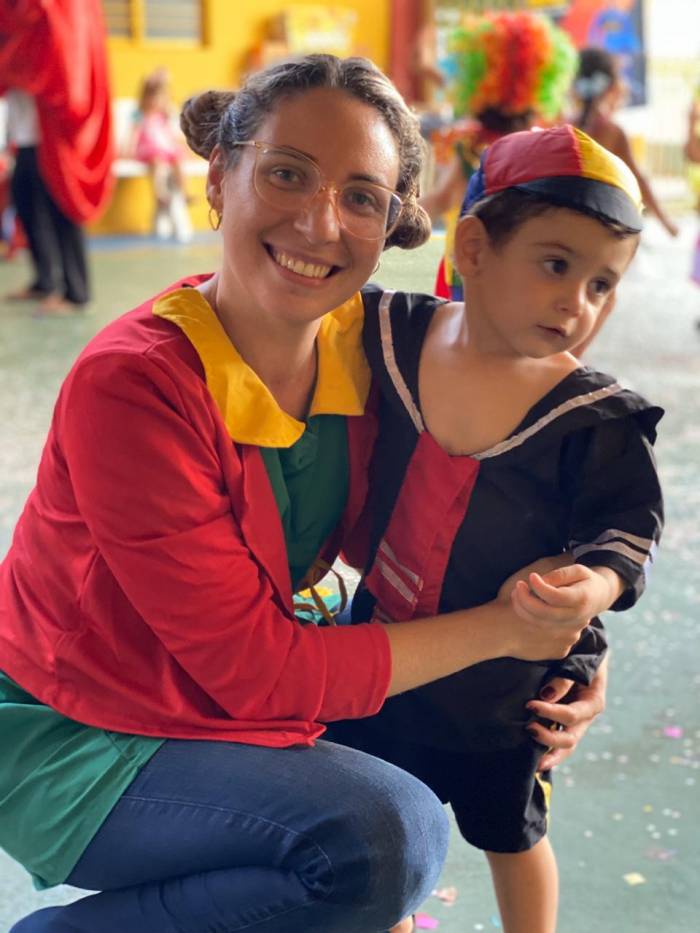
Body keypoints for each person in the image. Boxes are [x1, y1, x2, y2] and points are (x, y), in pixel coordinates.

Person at [0, 55, 604, 933]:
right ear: (219, 178)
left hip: (226, 688)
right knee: (383, 835)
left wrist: (572, 648)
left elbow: (468, 522)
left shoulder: (378, 350)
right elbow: (257, 670)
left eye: (361, 196)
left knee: (407, 781)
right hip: (83, 727)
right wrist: (508, 631)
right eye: (287, 174)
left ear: (388, 224)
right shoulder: (133, 385)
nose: (320, 223)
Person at [327, 125, 664, 933]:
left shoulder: (591, 416)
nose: (578, 302)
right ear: (474, 249)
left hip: (508, 693)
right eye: (557, 265)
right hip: (384, 655)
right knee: (373, 819)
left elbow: (627, 525)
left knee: (512, 833)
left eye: (602, 283)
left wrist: (596, 585)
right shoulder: (391, 334)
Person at [418, 11, 577, 299]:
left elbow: (440, 199)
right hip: (518, 274)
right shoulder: (538, 147)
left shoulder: (470, 145)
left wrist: (393, 218)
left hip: (465, 264)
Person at [0, 0, 113, 314]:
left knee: (60, 203)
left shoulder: (59, 8)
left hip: (51, 128)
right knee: (25, 199)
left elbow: (63, 52)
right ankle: (45, 281)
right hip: (25, 130)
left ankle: (77, 293)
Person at [130, 68, 193, 243]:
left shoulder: (163, 116)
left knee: (177, 161)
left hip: (164, 149)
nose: (156, 102)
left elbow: (172, 136)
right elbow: (132, 134)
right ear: (145, 98)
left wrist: (185, 147)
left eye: (160, 98)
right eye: (153, 98)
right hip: (148, 150)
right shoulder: (140, 114)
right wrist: (127, 151)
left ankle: (184, 192)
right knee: (158, 164)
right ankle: (160, 193)